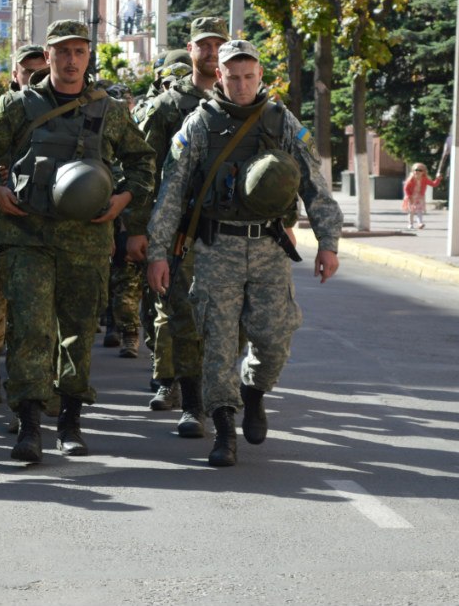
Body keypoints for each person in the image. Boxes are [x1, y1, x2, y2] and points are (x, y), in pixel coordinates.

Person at [145, 39, 342, 467]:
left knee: (275, 338)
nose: (241, 85)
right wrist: (158, 251)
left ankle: (253, 393)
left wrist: (328, 242)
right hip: (217, 248)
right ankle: (223, 431)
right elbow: (171, 192)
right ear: (220, 76)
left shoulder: (281, 121)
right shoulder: (200, 124)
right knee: (217, 345)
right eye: (233, 77)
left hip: (269, 247)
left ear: (260, 75)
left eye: (248, 76)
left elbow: (314, 184)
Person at [0, 19, 153, 463]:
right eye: (62, 51)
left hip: (86, 240)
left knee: (78, 332)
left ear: (88, 56)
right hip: (27, 235)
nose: (71, 60)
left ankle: (70, 421)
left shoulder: (109, 111)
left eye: (79, 51)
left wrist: (123, 198)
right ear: (47, 56)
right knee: (31, 330)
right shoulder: (17, 105)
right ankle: (29, 424)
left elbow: (143, 162)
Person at [136, 16, 229, 435]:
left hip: (230, 231)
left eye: (218, 45)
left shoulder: (244, 102)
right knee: (183, 317)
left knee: (230, 322)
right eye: (203, 45)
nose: (211, 52)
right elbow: (143, 171)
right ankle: (193, 403)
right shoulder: (167, 108)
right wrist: (140, 231)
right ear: (190, 49)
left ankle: (223, 396)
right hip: (182, 231)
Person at [401, 163, 440, 231]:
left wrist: (438, 178)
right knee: (411, 211)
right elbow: (406, 188)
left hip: (420, 197)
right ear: (413, 171)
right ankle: (410, 224)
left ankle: (420, 223)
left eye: (420, 170)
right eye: (416, 170)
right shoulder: (411, 178)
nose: (418, 171)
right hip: (411, 197)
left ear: (423, 172)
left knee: (419, 210)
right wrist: (409, 196)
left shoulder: (425, 179)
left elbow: (434, 184)